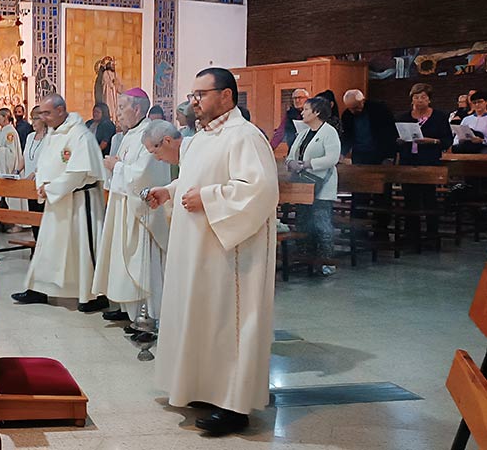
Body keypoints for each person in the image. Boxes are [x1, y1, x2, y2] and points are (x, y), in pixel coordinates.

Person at [146, 67, 279, 436]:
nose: (194, 102)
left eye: (201, 94)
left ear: (226, 96)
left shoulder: (245, 136)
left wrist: (206, 198)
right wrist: (171, 191)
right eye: (192, 95)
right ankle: (206, 389)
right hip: (199, 247)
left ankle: (234, 405)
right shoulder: (202, 137)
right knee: (202, 316)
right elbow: (197, 177)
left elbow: (260, 190)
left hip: (230, 252)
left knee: (228, 323)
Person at [15, 94, 108, 313]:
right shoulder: (53, 134)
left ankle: (91, 296)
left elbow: (78, 173)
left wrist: (50, 188)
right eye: (41, 114)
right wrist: (41, 183)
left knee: (81, 248)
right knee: (49, 246)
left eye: (47, 113)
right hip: (56, 200)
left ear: (60, 110)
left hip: (79, 202)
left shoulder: (80, 135)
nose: (43, 118)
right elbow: (44, 163)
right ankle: (38, 289)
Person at [92, 88, 171, 343]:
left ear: (137, 109)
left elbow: (144, 175)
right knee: (127, 261)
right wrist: (116, 167)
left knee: (143, 264)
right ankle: (133, 314)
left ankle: (149, 319)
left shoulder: (152, 133)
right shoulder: (129, 135)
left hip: (142, 213)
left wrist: (117, 167)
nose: (118, 113)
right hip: (125, 207)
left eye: (122, 107)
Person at [285, 97, 341, 276]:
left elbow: (332, 159)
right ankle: (305, 258)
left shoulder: (329, 132)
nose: (302, 112)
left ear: (317, 112)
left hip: (321, 184)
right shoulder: (302, 133)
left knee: (321, 222)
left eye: (306, 109)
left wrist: (307, 164)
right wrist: (291, 163)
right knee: (303, 221)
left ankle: (326, 261)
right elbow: (291, 155)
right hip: (303, 185)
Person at [396, 83, 452, 245]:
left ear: (429, 100)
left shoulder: (439, 117)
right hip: (408, 161)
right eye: (416, 97)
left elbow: (447, 140)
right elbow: (394, 138)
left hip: (429, 161)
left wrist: (433, 141)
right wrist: (399, 141)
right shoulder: (403, 117)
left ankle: (432, 234)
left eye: (423, 97)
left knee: (429, 198)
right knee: (410, 198)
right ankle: (411, 234)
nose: (419, 101)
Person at [340, 89, 397, 164]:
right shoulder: (347, 115)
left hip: (379, 152)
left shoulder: (380, 109)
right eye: (351, 109)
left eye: (356, 107)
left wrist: (390, 155)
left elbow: (389, 132)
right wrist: (342, 152)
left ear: (363, 101)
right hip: (359, 154)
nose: (353, 111)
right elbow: (347, 136)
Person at [23, 107, 48, 240]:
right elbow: (25, 157)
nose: (32, 122)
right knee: (33, 214)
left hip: (42, 183)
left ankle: (44, 245)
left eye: (35, 118)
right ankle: (37, 243)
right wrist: (15, 172)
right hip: (28, 183)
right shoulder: (29, 137)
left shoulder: (49, 138)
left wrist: (34, 173)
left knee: (42, 214)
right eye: (31, 118)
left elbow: (47, 161)